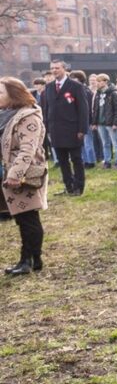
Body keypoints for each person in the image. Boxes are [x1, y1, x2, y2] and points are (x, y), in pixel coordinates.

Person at [1, 78, 47, 276]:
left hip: (23, 175)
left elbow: (27, 149)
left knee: (28, 218)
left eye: (1, 93)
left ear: (14, 94)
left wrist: (15, 174)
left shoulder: (28, 117)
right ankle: (32, 259)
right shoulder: (7, 115)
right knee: (22, 218)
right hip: (10, 172)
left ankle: (28, 260)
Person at [41, 59, 90, 196]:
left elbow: (83, 109)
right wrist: (47, 129)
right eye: (52, 68)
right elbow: (47, 109)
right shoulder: (49, 87)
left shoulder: (75, 86)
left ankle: (79, 187)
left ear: (64, 69)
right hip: (56, 130)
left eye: (57, 68)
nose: (54, 70)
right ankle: (69, 186)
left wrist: (82, 129)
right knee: (62, 161)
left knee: (76, 159)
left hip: (73, 130)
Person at [91, 73, 117, 169]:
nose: (97, 83)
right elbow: (96, 109)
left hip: (111, 123)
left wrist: (116, 123)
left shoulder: (114, 93)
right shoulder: (98, 93)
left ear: (105, 81)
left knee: (116, 143)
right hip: (101, 123)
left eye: (99, 81)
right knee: (105, 144)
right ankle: (107, 162)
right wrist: (94, 122)